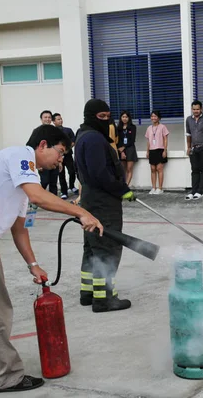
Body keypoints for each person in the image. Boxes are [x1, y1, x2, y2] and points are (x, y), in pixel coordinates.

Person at [0, 125, 102, 393]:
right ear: (43, 145)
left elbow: (19, 229)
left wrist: (33, 264)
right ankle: (6, 377)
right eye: (60, 153)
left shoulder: (23, 180)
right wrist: (80, 212)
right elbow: (40, 198)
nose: (60, 161)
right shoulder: (20, 156)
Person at [74, 98, 135, 313]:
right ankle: (105, 298)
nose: (106, 120)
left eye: (109, 117)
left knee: (92, 248)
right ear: (90, 116)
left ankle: (88, 292)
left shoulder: (83, 136)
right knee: (107, 248)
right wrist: (122, 189)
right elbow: (100, 173)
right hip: (102, 202)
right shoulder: (92, 139)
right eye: (102, 117)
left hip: (92, 199)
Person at [53, 113, 77, 199]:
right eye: (58, 119)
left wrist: (66, 149)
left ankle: (72, 186)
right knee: (61, 174)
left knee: (72, 171)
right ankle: (64, 191)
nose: (60, 121)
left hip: (68, 155)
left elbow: (73, 140)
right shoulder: (52, 132)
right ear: (54, 121)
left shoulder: (68, 130)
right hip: (58, 156)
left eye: (61, 119)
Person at [145, 111, 169, 194]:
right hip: (152, 150)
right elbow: (148, 141)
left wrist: (165, 150)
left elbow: (165, 139)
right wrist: (147, 151)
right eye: (152, 116)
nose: (153, 118)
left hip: (160, 149)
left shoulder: (163, 127)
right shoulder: (149, 128)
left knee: (159, 169)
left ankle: (160, 188)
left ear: (159, 118)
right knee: (152, 169)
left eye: (155, 116)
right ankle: (153, 187)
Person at [38, 110, 60, 196]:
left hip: (54, 161)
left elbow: (58, 147)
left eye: (49, 117)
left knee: (53, 182)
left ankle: (54, 202)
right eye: (45, 117)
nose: (47, 119)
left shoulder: (56, 131)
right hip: (43, 161)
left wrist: (59, 161)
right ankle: (37, 198)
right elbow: (32, 147)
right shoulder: (37, 132)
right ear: (41, 119)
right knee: (44, 181)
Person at [116, 110, 138, 186]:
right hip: (121, 150)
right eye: (123, 117)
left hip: (130, 149)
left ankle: (126, 186)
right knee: (122, 170)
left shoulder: (132, 127)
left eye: (126, 117)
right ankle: (122, 185)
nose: (124, 118)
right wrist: (121, 151)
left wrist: (124, 147)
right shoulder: (118, 128)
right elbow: (117, 140)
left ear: (129, 118)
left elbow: (132, 140)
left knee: (129, 169)